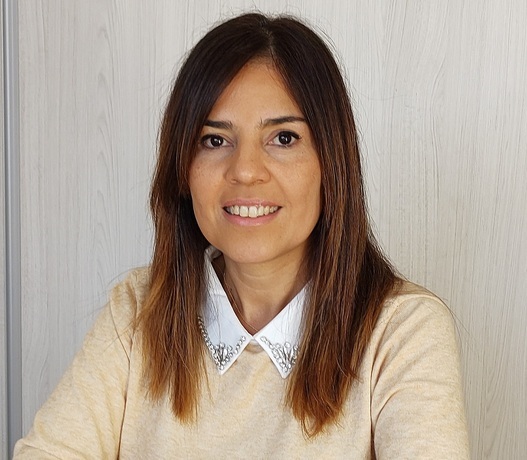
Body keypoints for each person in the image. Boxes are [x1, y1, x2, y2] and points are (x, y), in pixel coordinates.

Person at [14, 13, 469, 459]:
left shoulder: (401, 332)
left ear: (332, 162)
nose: (246, 171)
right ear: (183, 169)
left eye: (283, 138)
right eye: (214, 140)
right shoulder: (136, 309)